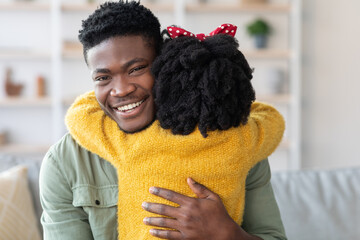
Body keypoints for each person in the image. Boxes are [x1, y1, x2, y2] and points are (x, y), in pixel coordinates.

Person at [39, 1, 287, 240]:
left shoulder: (230, 137)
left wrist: (227, 234)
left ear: (163, 64)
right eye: (103, 78)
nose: (121, 90)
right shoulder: (65, 162)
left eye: (136, 69)